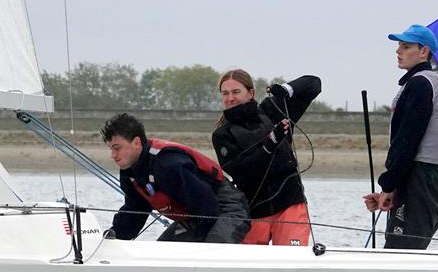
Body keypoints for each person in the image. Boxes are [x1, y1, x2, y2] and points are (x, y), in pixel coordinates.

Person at [363, 24, 438, 249]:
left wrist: (388, 184)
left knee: (399, 254)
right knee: (404, 253)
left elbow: (407, 140)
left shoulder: (420, 84)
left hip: (420, 179)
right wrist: (393, 189)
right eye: (398, 46)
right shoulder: (431, 81)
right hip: (425, 179)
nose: (398, 51)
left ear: (424, 52)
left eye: (405, 46)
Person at [212, 70, 321, 246]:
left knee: (291, 261)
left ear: (251, 93)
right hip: (254, 209)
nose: (230, 98)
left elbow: (314, 84)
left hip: (290, 203)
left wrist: (286, 89)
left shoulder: (272, 110)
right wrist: (270, 143)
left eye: (236, 92)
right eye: (225, 93)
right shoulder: (222, 134)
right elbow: (238, 171)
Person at [102, 113, 249, 243]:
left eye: (117, 148)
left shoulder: (167, 165)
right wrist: (113, 237)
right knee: (159, 256)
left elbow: (206, 204)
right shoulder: (130, 173)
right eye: (111, 149)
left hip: (228, 208)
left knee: (210, 248)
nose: (113, 155)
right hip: (196, 216)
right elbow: (135, 211)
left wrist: (197, 244)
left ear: (136, 142)